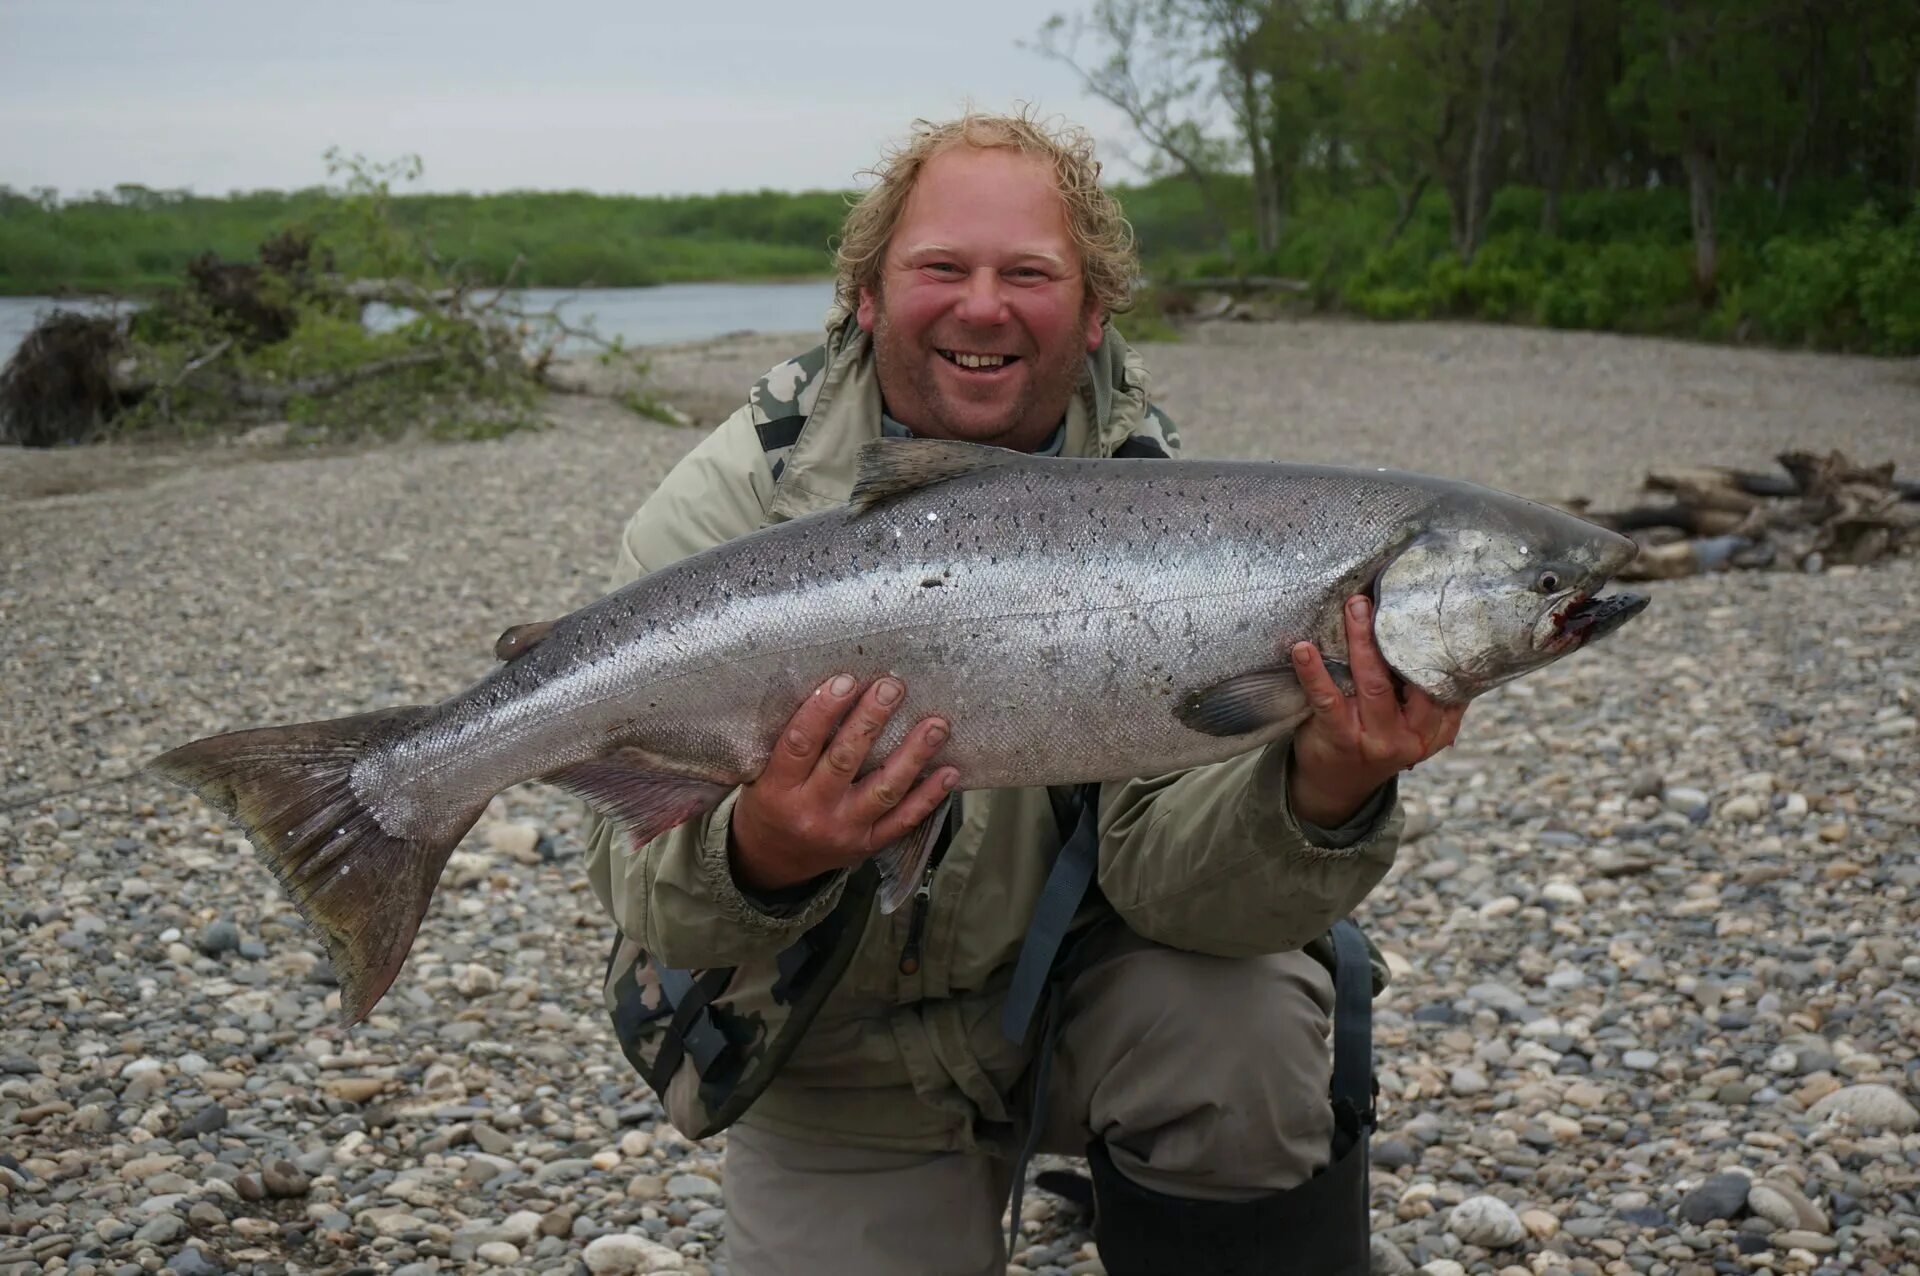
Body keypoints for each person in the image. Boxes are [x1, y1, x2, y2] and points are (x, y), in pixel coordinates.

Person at [583, 109, 1467, 1276]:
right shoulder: (734, 503)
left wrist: (1328, 787)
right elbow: (642, 897)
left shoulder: (1182, 520)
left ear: (1093, 309)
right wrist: (767, 851)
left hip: (1087, 998)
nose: (983, 305)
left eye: (1030, 274)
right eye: (941, 267)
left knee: (1254, 1017)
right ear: (866, 296)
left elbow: (1181, 888)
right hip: (836, 1060)